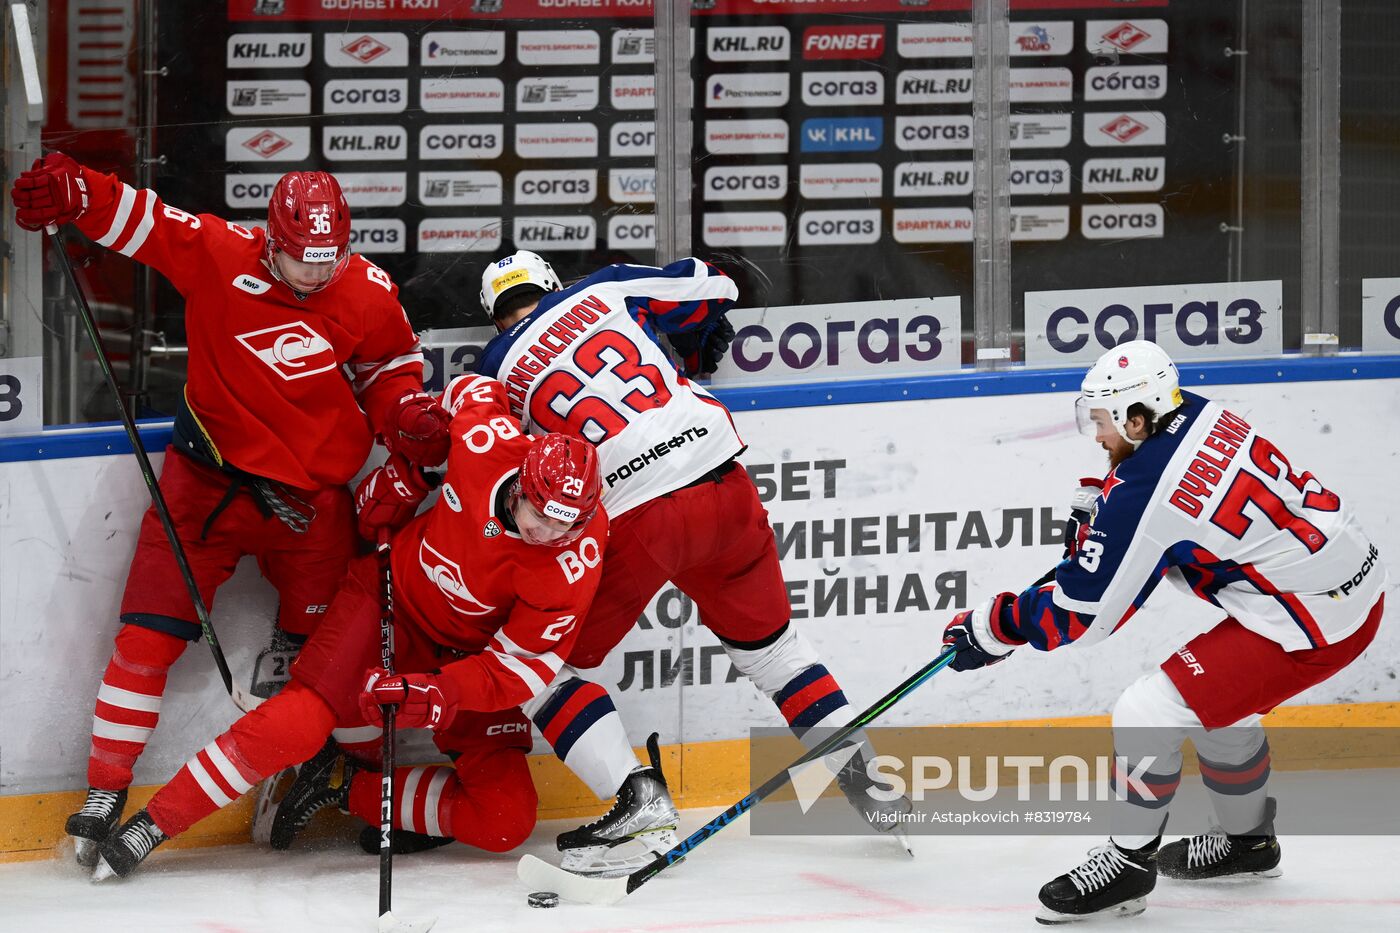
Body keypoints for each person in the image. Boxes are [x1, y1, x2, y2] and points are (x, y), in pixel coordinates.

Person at [9, 154, 451, 866]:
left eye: (328, 259)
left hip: (311, 507)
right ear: (269, 238)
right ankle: (103, 789)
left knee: (329, 661)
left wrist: (406, 416)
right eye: (301, 260)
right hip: (203, 490)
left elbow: (389, 368)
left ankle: (349, 774)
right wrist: (77, 190)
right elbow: (140, 218)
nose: (315, 274)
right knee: (145, 638)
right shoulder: (220, 253)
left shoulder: (367, 289)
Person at [464, 250, 909, 876]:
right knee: (776, 653)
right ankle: (876, 790)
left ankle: (635, 799)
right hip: (723, 480)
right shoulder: (605, 289)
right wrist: (690, 346)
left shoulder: (492, 368)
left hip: (635, 515)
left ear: (493, 317)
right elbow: (716, 283)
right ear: (554, 285)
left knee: (532, 666)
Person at [938, 340, 1386, 924]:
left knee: (1146, 709)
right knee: (1217, 703)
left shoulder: (1145, 491)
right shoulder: (1196, 411)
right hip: (1347, 584)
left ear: (1138, 418)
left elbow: (1085, 616)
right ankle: (1248, 844)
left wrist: (996, 627)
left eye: (1101, 421)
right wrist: (1108, 525)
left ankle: (1127, 866)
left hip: (1314, 620)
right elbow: (1169, 528)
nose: (1097, 436)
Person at [91, 375, 608, 878]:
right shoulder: (485, 442)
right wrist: (416, 444)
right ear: (520, 483)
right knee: (299, 722)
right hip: (389, 602)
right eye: (541, 516)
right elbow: (472, 387)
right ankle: (151, 826)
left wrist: (440, 691)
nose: (548, 534)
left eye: (567, 523)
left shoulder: (575, 559)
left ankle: (341, 785)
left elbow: (525, 669)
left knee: (506, 822)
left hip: (466, 661)